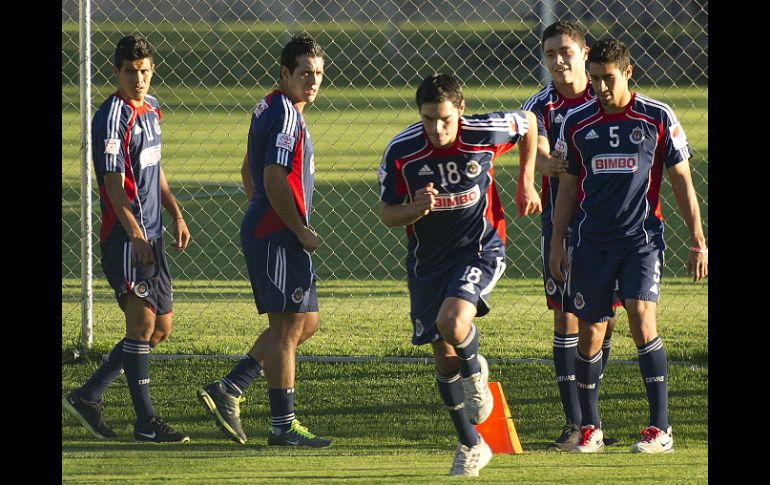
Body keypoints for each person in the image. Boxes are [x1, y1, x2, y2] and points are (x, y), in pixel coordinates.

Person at [549, 38, 708, 453]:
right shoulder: (577, 122)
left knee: (641, 318)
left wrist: (698, 240)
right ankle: (591, 428)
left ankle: (660, 429)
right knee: (591, 333)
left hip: (640, 241)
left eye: (609, 78)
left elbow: (682, 181)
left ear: (628, 72)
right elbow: (567, 189)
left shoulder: (656, 116)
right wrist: (556, 245)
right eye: (596, 78)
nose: (600, 87)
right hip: (589, 243)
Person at [378, 73, 540, 476]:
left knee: (452, 322)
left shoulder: (485, 131)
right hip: (428, 262)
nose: (437, 128)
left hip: (479, 248)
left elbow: (530, 123)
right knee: (441, 353)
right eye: (429, 119)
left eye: (445, 118)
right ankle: (471, 444)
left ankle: (476, 375)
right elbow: (386, 214)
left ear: (461, 110)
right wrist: (413, 209)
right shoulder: (402, 150)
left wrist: (525, 180)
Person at [196, 34, 331, 448]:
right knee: (287, 329)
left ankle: (231, 387)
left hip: (268, 226)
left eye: (319, 74)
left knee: (305, 322)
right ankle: (282, 426)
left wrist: (262, 206)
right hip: (276, 232)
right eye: (305, 73)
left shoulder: (271, 106)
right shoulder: (287, 114)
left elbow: (246, 169)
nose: (312, 81)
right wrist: (294, 226)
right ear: (285, 73)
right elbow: (271, 176)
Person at [62, 35, 191, 443]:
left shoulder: (151, 108)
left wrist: (176, 212)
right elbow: (114, 186)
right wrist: (135, 232)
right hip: (124, 236)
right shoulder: (111, 117)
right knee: (141, 323)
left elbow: (154, 167)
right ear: (116, 72)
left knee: (159, 330)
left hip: (151, 236)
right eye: (131, 72)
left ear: (153, 71)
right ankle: (146, 423)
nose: (139, 79)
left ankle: (88, 395)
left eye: (145, 71)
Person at [521, 20, 619, 451]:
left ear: (583, 52)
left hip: (608, 223)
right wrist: (542, 164)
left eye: (566, 51)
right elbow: (539, 154)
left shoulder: (605, 97)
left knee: (605, 318)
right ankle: (574, 423)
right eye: (550, 54)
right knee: (566, 316)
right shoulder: (540, 106)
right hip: (560, 224)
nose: (559, 61)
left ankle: (591, 418)